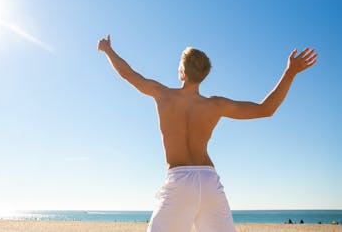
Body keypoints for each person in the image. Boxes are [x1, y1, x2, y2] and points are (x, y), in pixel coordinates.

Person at [97, 35, 317, 232]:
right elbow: (266, 109)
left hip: (179, 181)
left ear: (182, 73)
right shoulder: (216, 105)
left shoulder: (162, 95)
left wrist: (107, 49)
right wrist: (290, 73)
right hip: (210, 182)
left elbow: (127, 73)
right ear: (203, 76)